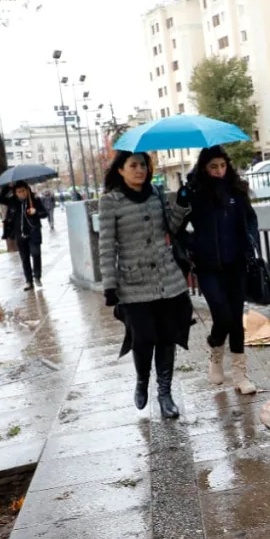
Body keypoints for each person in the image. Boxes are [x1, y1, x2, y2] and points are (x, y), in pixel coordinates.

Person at [99, 150, 193, 419]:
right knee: (143, 338)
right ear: (121, 169)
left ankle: (165, 393)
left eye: (143, 165)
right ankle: (142, 380)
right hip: (133, 282)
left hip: (167, 278)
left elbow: (171, 228)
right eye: (133, 165)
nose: (140, 170)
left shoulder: (156, 194)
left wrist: (182, 203)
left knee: (167, 337)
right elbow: (106, 246)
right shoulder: (110, 202)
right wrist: (110, 284)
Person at [177, 145, 258, 395]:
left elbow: (251, 219)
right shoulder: (194, 193)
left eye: (223, 165)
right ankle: (214, 351)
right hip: (208, 266)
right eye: (213, 167)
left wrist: (251, 241)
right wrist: (194, 245)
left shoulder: (237, 189)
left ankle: (240, 374)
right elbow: (177, 228)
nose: (219, 171)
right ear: (204, 167)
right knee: (222, 315)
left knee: (236, 320)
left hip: (237, 264)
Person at [0, 181, 48, 291]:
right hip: (19, 234)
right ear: (15, 192)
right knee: (24, 258)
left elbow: (44, 214)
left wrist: (36, 212)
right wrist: (7, 186)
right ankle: (29, 281)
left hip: (34, 232)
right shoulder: (12, 201)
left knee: (36, 253)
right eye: (19, 191)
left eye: (23, 191)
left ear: (27, 190)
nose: (21, 193)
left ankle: (37, 276)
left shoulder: (34, 200)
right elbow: (0, 199)